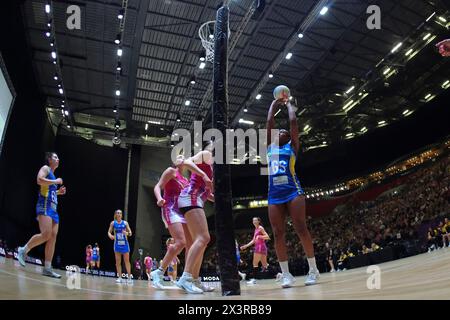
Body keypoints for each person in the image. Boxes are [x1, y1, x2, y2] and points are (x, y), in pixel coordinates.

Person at [266, 98, 320, 288]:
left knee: (300, 227)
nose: (280, 131)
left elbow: (294, 123)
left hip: (292, 190)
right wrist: (274, 104)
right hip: (274, 194)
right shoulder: (269, 147)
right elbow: (270, 122)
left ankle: (313, 270)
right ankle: (286, 274)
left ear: (289, 138)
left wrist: (289, 105)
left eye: (284, 132)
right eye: (278, 131)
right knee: (277, 233)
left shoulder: (292, 148)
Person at [151, 154, 212, 289]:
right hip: (170, 209)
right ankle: (159, 272)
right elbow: (158, 186)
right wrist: (159, 198)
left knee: (191, 245)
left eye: (183, 156)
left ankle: (191, 279)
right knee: (181, 241)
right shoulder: (170, 171)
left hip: (182, 211)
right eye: (178, 156)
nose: (181, 157)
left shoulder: (185, 180)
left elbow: (205, 194)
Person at [17, 152, 66, 278]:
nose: (58, 158)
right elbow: (39, 180)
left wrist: (58, 192)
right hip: (44, 205)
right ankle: (24, 250)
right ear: (49, 159)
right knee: (46, 234)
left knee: (53, 237)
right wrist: (55, 181)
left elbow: (49, 191)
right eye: (55, 157)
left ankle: (48, 268)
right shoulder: (46, 169)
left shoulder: (53, 175)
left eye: (58, 157)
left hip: (53, 209)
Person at [176, 142, 215, 294]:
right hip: (189, 198)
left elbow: (206, 193)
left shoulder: (213, 165)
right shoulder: (206, 154)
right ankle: (185, 278)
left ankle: (195, 280)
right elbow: (186, 161)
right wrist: (203, 175)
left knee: (203, 242)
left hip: (195, 199)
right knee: (204, 238)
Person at [240, 217, 270, 285]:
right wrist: (246, 246)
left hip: (260, 247)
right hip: (259, 247)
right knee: (264, 264)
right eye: (253, 220)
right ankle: (278, 274)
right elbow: (253, 240)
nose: (254, 221)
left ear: (259, 221)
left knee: (255, 263)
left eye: (255, 220)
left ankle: (254, 279)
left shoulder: (260, 228)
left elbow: (267, 236)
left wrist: (260, 237)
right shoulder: (256, 229)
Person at [107, 209, 133, 284]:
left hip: (125, 244)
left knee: (127, 261)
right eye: (118, 213)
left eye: (120, 213)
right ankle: (120, 277)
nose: (119, 214)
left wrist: (127, 233)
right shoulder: (113, 223)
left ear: (121, 215)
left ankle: (129, 277)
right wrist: (110, 235)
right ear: (115, 214)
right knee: (118, 262)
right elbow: (109, 232)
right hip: (117, 244)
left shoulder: (125, 223)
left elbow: (131, 233)